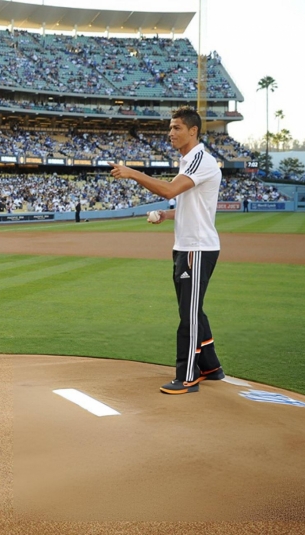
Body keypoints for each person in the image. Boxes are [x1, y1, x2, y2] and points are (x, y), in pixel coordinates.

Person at [109, 107, 224, 395]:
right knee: (192, 310)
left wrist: (133, 172)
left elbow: (171, 191)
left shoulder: (201, 160)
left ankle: (187, 376)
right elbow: (189, 205)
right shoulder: (189, 161)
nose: (170, 133)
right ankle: (210, 366)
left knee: (189, 314)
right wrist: (166, 215)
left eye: (176, 128)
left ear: (193, 131)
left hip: (197, 248)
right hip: (185, 246)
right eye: (170, 128)